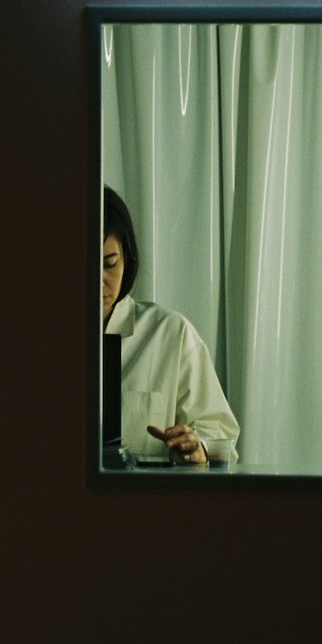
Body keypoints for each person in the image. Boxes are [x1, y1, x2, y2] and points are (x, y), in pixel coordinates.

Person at [102, 185, 239, 463]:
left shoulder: (169, 334)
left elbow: (220, 434)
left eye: (109, 263)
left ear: (127, 260)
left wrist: (197, 445)